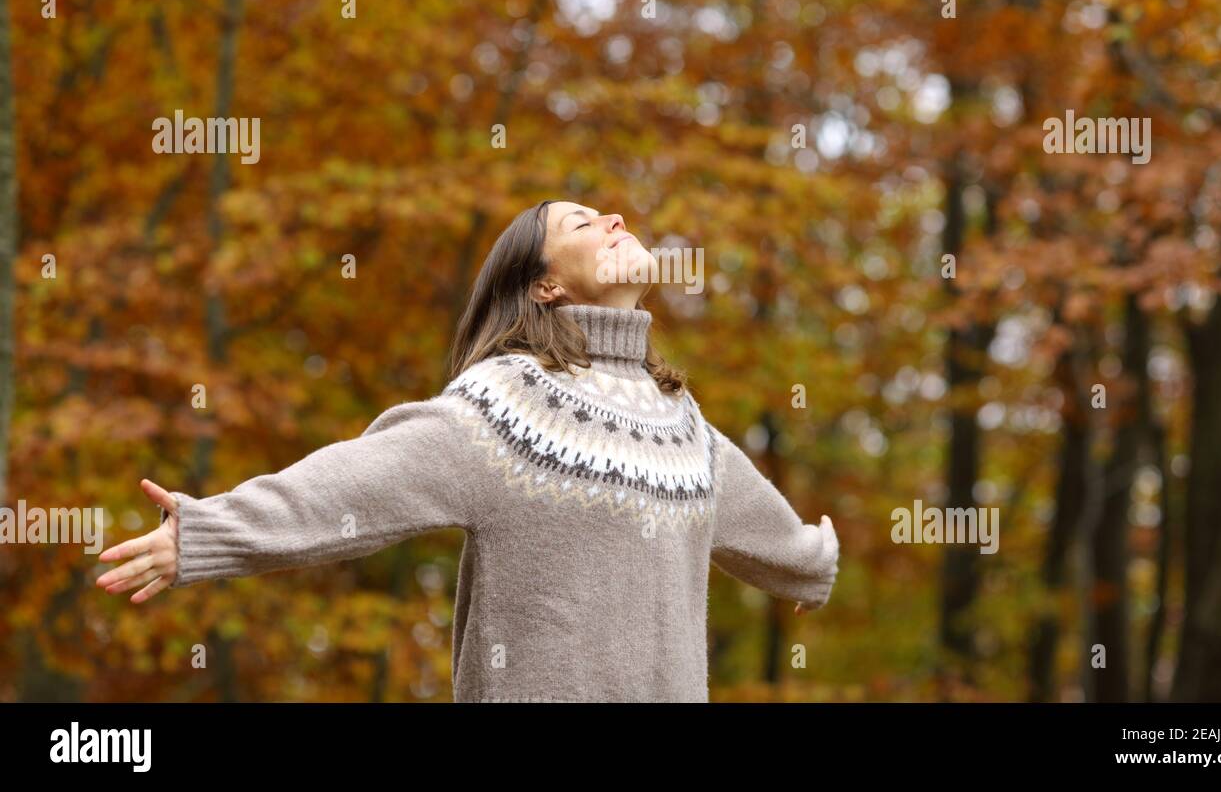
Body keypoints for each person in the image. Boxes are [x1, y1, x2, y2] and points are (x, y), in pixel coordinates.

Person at [97, 199, 840, 701]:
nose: (616, 217)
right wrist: (205, 532)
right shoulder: (507, 405)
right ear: (545, 285)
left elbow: (773, 536)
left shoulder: (688, 429)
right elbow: (356, 483)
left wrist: (810, 565)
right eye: (584, 223)